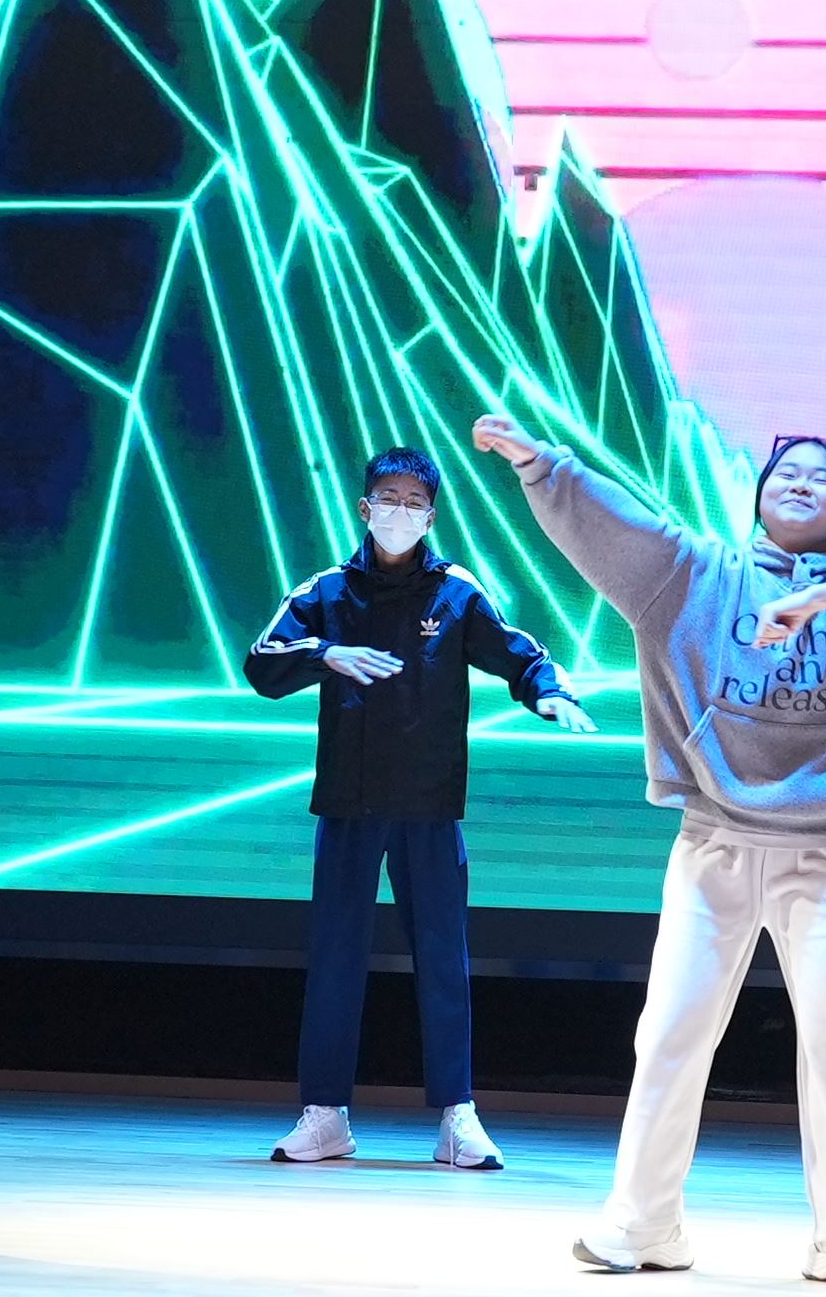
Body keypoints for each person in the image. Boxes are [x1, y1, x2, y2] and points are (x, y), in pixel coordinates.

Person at [476, 414, 826, 1292]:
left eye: (821, 477)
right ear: (758, 496)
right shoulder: (695, 577)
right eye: (785, 473)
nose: (799, 482)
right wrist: (544, 465)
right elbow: (621, 526)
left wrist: (825, 599)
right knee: (671, 1034)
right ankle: (644, 1222)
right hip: (713, 841)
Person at [246, 446, 595, 1170]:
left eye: (414, 502)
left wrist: (549, 693)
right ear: (365, 508)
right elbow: (261, 662)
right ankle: (324, 1113)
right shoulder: (326, 591)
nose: (400, 511)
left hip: (430, 806)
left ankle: (457, 1116)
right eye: (389, 498)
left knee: (443, 958)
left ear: (430, 516)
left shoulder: (455, 591)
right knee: (335, 957)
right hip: (349, 802)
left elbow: (521, 654)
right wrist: (324, 654)